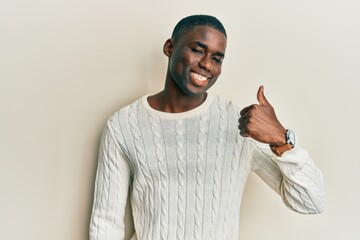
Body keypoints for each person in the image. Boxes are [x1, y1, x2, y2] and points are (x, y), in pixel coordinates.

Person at [89, 15, 325, 240]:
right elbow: (106, 222)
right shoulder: (123, 125)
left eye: (217, 58)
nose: (206, 64)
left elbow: (310, 202)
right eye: (197, 50)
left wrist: (281, 140)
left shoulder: (240, 123)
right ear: (170, 47)